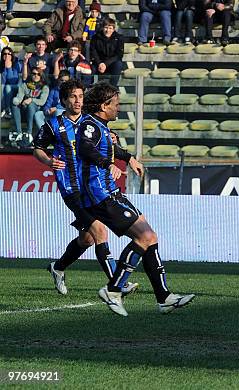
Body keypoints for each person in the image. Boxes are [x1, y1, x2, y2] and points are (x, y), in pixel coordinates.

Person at [77, 82, 195, 316]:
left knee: (150, 237)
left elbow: (110, 148)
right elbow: (85, 148)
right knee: (146, 236)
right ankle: (114, 290)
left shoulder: (101, 126)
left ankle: (164, 297)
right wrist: (107, 163)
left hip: (111, 193)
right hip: (100, 196)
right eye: (116, 104)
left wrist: (128, 157)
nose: (119, 109)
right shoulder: (89, 125)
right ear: (104, 105)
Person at [33, 78, 139, 296]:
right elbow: (38, 148)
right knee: (100, 232)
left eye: (81, 96)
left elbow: (110, 147)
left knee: (88, 238)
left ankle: (58, 267)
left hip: (92, 187)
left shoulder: (91, 123)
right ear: (63, 100)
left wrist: (127, 158)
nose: (78, 101)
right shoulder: (54, 125)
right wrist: (48, 161)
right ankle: (117, 283)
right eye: (73, 96)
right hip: (72, 189)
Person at [11, 70, 49, 148]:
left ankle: (29, 132)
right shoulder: (25, 85)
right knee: (15, 105)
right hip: (25, 110)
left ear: (41, 76)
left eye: (38, 74)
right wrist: (17, 100)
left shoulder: (44, 87)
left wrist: (31, 100)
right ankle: (19, 133)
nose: (36, 76)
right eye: (34, 73)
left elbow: (42, 102)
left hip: (37, 111)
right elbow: (19, 96)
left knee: (31, 105)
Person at [90, 18, 124, 86]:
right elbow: (93, 51)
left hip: (111, 63)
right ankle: (92, 88)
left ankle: (112, 87)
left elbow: (119, 54)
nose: (108, 30)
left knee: (118, 64)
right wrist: (99, 63)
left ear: (113, 29)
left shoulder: (119, 38)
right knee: (91, 68)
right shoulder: (95, 37)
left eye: (110, 28)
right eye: (106, 27)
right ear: (102, 28)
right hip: (98, 63)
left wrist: (105, 64)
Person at [0, 46, 22, 119]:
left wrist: (8, 68)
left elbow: (12, 81)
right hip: (3, 87)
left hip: (14, 86)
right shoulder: (1, 64)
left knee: (6, 87)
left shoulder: (16, 64)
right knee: (2, 87)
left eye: (9, 54)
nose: (7, 56)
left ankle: (8, 110)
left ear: (11, 55)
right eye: (5, 54)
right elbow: (2, 81)